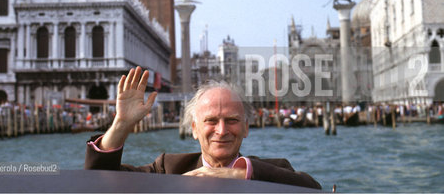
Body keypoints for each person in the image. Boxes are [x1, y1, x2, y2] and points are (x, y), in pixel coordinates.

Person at [85, 67, 321, 190]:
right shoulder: (168, 169)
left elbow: (313, 189)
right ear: (194, 129)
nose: (221, 130)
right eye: (211, 121)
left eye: (232, 120)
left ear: (247, 127)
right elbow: (100, 180)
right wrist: (122, 124)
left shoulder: (274, 170)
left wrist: (242, 173)